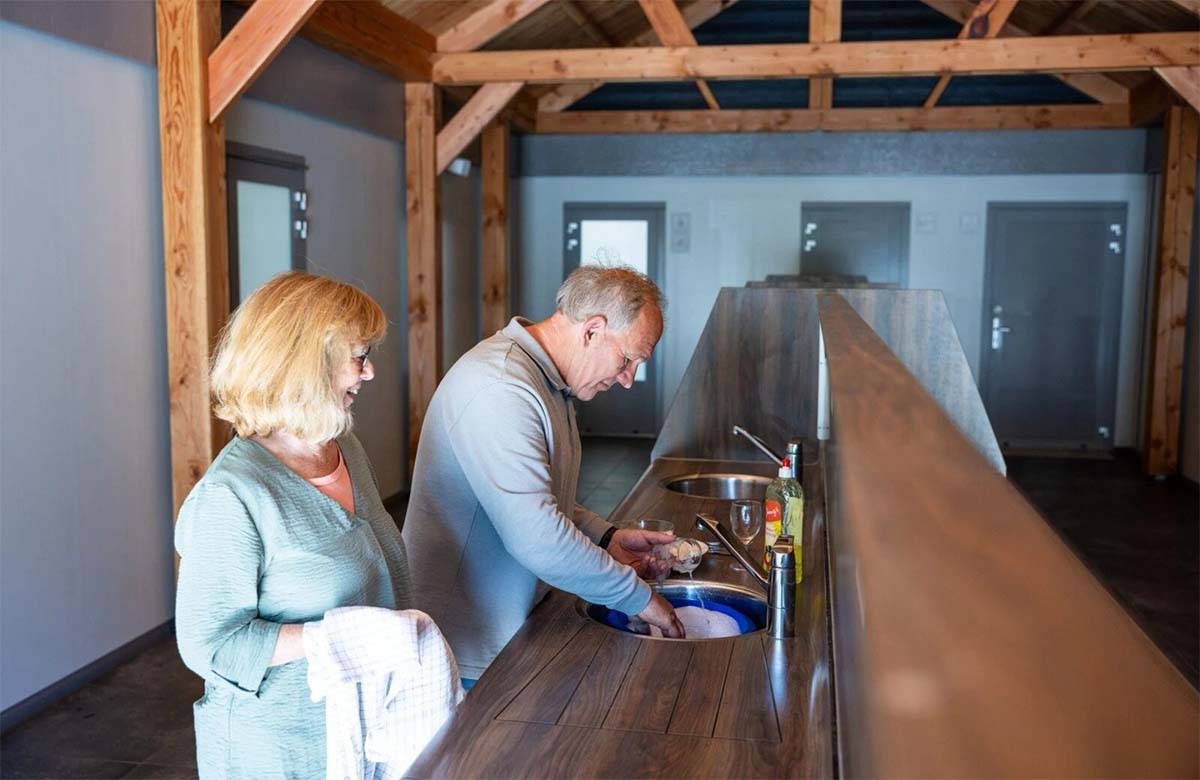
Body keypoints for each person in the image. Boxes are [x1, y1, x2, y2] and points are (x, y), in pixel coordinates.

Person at [174, 272, 414, 779]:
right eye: (360, 357)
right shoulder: (232, 494)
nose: (369, 372)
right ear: (308, 363)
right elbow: (210, 645)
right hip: (278, 751)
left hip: (362, 728)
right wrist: (335, 637)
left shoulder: (343, 447)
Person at [402, 265, 684, 684]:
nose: (627, 380)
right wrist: (637, 598)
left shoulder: (546, 382)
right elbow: (536, 535)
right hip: (464, 647)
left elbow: (539, 497)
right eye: (627, 360)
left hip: (506, 629)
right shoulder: (501, 386)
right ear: (592, 330)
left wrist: (606, 537)